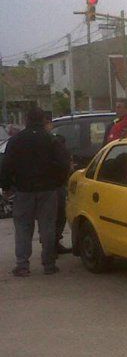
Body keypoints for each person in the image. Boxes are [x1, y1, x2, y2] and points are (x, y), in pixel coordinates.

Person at [1, 107, 69, 276]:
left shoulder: (16, 140)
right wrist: (58, 183)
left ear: (26, 120)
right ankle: (49, 264)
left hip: (23, 190)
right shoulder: (51, 140)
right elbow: (63, 164)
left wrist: (7, 187)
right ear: (43, 120)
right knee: (47, 227)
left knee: (23, 227)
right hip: (48, 190)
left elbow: (6, 166)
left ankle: (23, 265)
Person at [44, 112, 73, 255]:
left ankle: (53, 244)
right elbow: (63, 163)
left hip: (42, 185)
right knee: (55, 216)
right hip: (53, 185)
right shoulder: (52, 141)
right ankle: (51, 248)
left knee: (54, 217)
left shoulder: (54, 140)